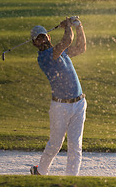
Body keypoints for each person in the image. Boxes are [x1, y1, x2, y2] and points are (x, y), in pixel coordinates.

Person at [30, 17, 87, 176]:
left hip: (79, 103)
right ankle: (40, 170)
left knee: (75, 145)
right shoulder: (45, 57)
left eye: (43, 36)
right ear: (34, 43)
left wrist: (79, 27)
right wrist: (68, 25)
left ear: (48, 36)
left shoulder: (59, 52)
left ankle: (71, 180)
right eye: (38, 39)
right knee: (55, 143)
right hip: (60, 107)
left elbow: (81, 47)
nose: (42, 40)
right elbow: (68, 40)